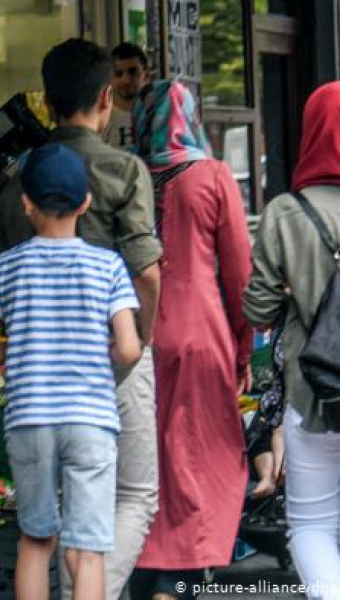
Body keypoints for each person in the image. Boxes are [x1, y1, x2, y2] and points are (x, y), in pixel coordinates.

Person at [0, 38, 162, 600]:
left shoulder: (17, 181)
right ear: (107, 97)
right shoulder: (124, 169)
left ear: (44, 102)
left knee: (40, 524)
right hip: (113, 355)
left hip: (36, 380)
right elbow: (148, 272)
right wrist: (138, 342)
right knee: (133, 495)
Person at [0, 143, 142, 600]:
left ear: (25, 205)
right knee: (87, 550)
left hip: (29, 420)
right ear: (86, 203)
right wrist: (93, 349)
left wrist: (27, 350)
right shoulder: (109, 266)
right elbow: (128, 347)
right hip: (90, 420)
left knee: (36, 539)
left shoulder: (5, 267)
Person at [129, 80, 253, 600]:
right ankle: (178, 576)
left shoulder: (128, 174)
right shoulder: (212, 176)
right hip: (201, 330)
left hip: (133, 329)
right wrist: (244, 346)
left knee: (147, 455)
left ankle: (146, 563)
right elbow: (241, 273)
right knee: (197, 456)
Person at [244, 81, 340, 596]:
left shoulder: (285, 212)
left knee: (311, 526)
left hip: (313, 392)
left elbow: (256, 308)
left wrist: (295, 289)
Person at [102, 42, 149, 150]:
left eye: (133, 72)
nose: (126, 80)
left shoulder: (160, 115)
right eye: (118, 74)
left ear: (146, 75)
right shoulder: (101, 119)